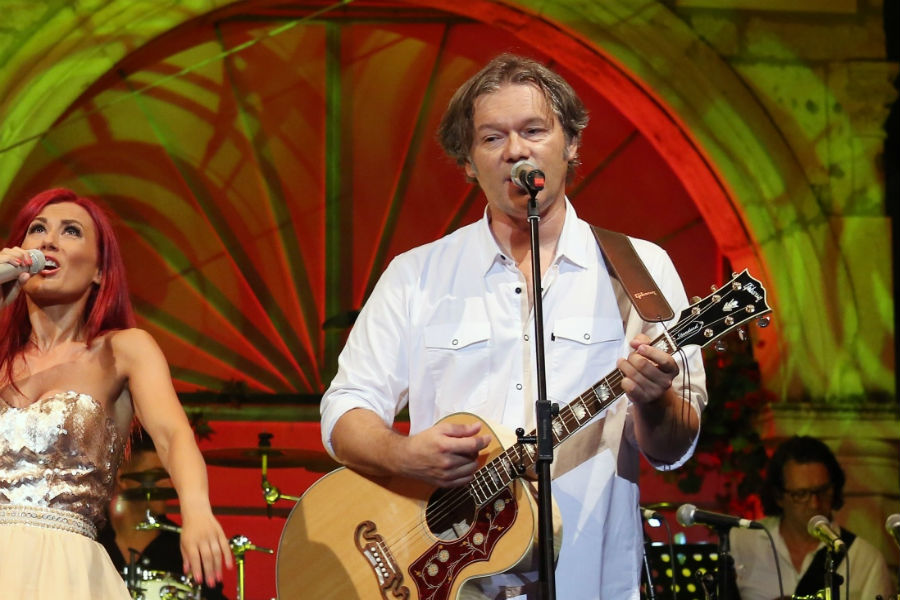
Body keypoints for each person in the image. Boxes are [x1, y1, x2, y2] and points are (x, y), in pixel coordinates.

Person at [320, 53, 707, 599]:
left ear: (571, 143)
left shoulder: (640, 270)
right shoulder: (417, 275)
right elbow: (344, 411)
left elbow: (672, 450)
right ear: (467, 162)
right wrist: (405, 455)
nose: (516, 150)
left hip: (586, 580)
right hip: (442, 576)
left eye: (534, 130)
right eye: (492, 137)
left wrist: (653, 400)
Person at [0, 188, 233, 599]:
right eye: (37, 229)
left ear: (100, 272)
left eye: (71, 231)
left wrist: (196, 509)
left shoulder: (123, 350)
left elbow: (172, 435)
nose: (48, 240)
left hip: (66, 569)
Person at [729, 435, 895, 600]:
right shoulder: (742, 541)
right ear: (779, 496)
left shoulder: (865, 559)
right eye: (801, 494)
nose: (815, 504)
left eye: (823, 491)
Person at [98, 430, 229, 599]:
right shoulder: (92, 540)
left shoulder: (184, 548)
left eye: (168, 476)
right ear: (121, 478)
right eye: (157, 474)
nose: (168, 484)